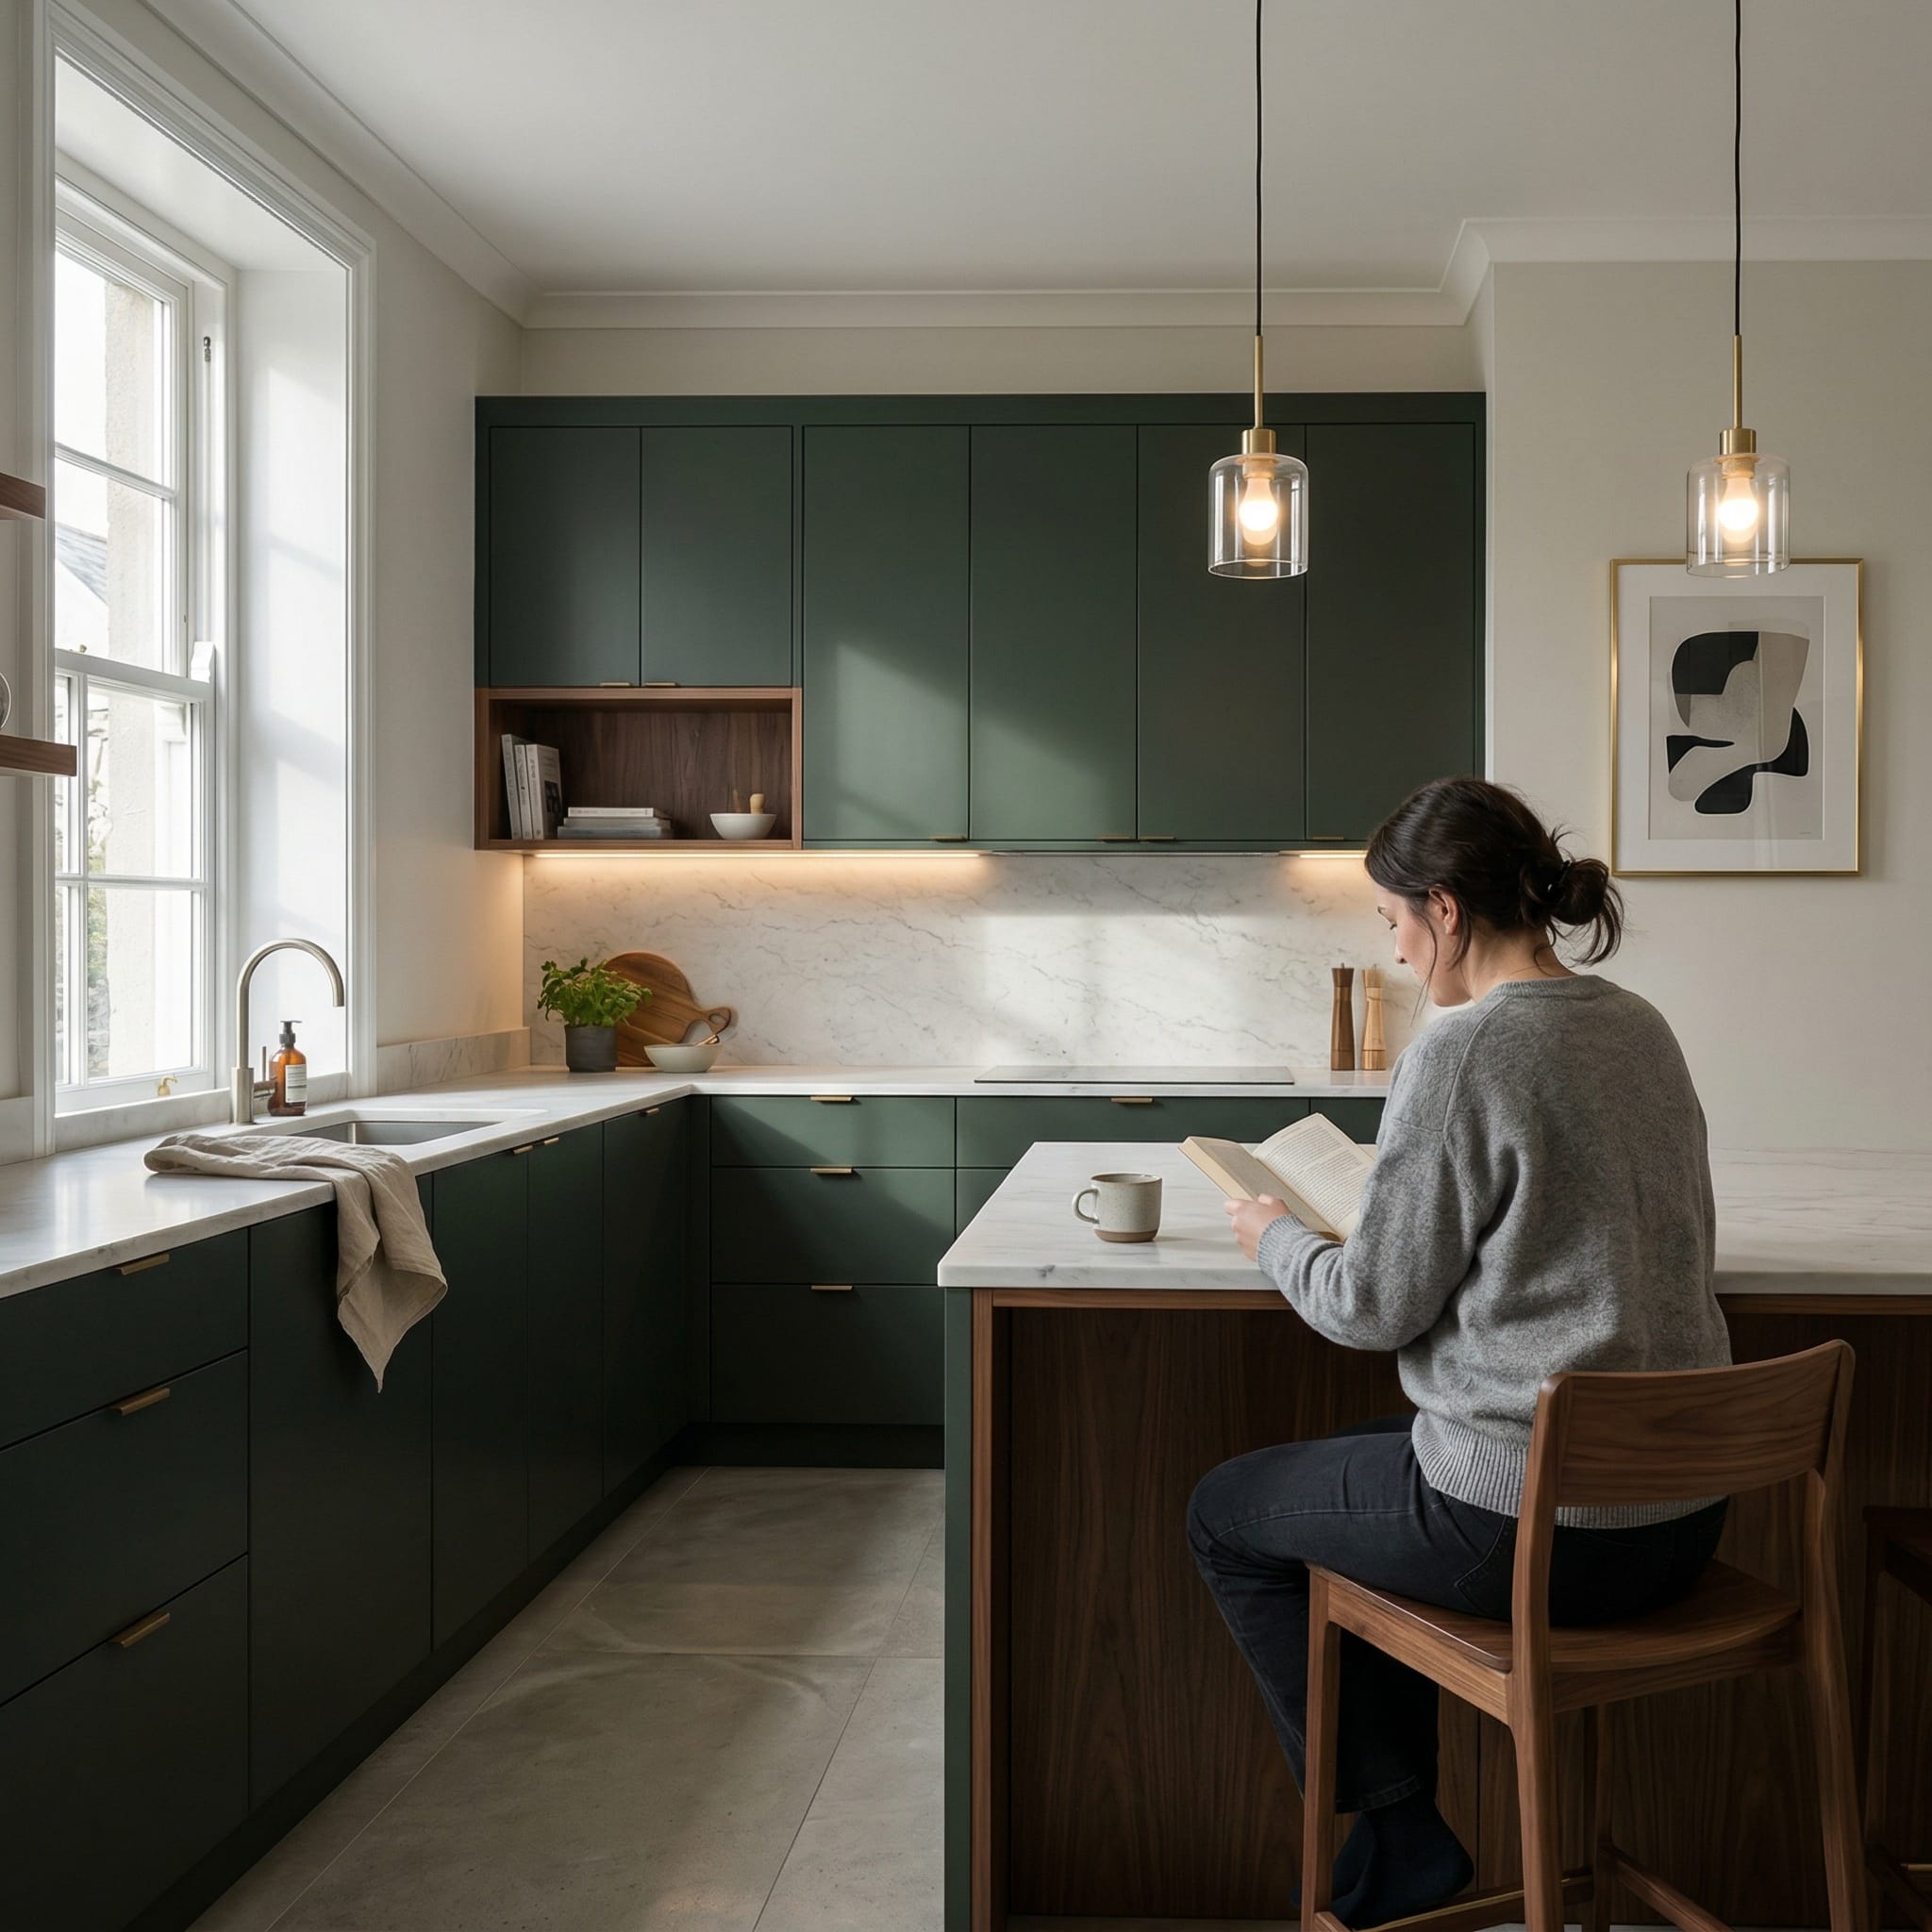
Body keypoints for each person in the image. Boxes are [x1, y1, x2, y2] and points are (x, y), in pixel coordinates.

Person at [1187, 775, 1732, 1925]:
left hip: (1533, 1536)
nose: (1393, 950)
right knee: (1356, 1471)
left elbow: (1369, 1305)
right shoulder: (1636, 1020)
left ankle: (1398, 1828)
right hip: (1682, 1519)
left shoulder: (1463, 1048)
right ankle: (1398, 1837)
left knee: (1228, 1509)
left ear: (1443, 908)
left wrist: (1272, 1232)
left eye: (1390, 921)